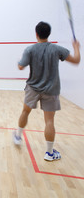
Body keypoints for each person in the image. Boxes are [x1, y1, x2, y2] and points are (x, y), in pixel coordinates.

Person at [12, 21, 81, 161]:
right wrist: (76, 47)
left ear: (36, 34)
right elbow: (76, 60)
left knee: (25, 111)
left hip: (33, 89)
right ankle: (49, 153)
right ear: (48, 34)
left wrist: (19, 62)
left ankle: (18, 136)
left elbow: (20, 67)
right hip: (51, 89)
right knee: (49, 121)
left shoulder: (30, 50)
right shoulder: (56, 49)